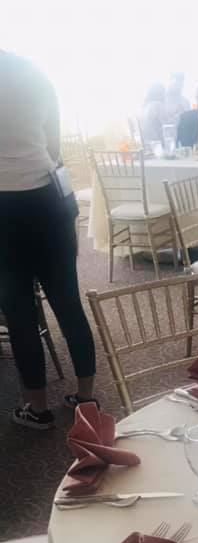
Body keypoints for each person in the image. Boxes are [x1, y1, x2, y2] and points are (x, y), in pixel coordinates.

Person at [0, 50, 96, 429]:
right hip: (48, 199)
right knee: (68, 301)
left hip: (4, 207)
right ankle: (86, 397)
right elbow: (54, 148)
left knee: (20, 313)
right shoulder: (36, 75)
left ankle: (37, 408)